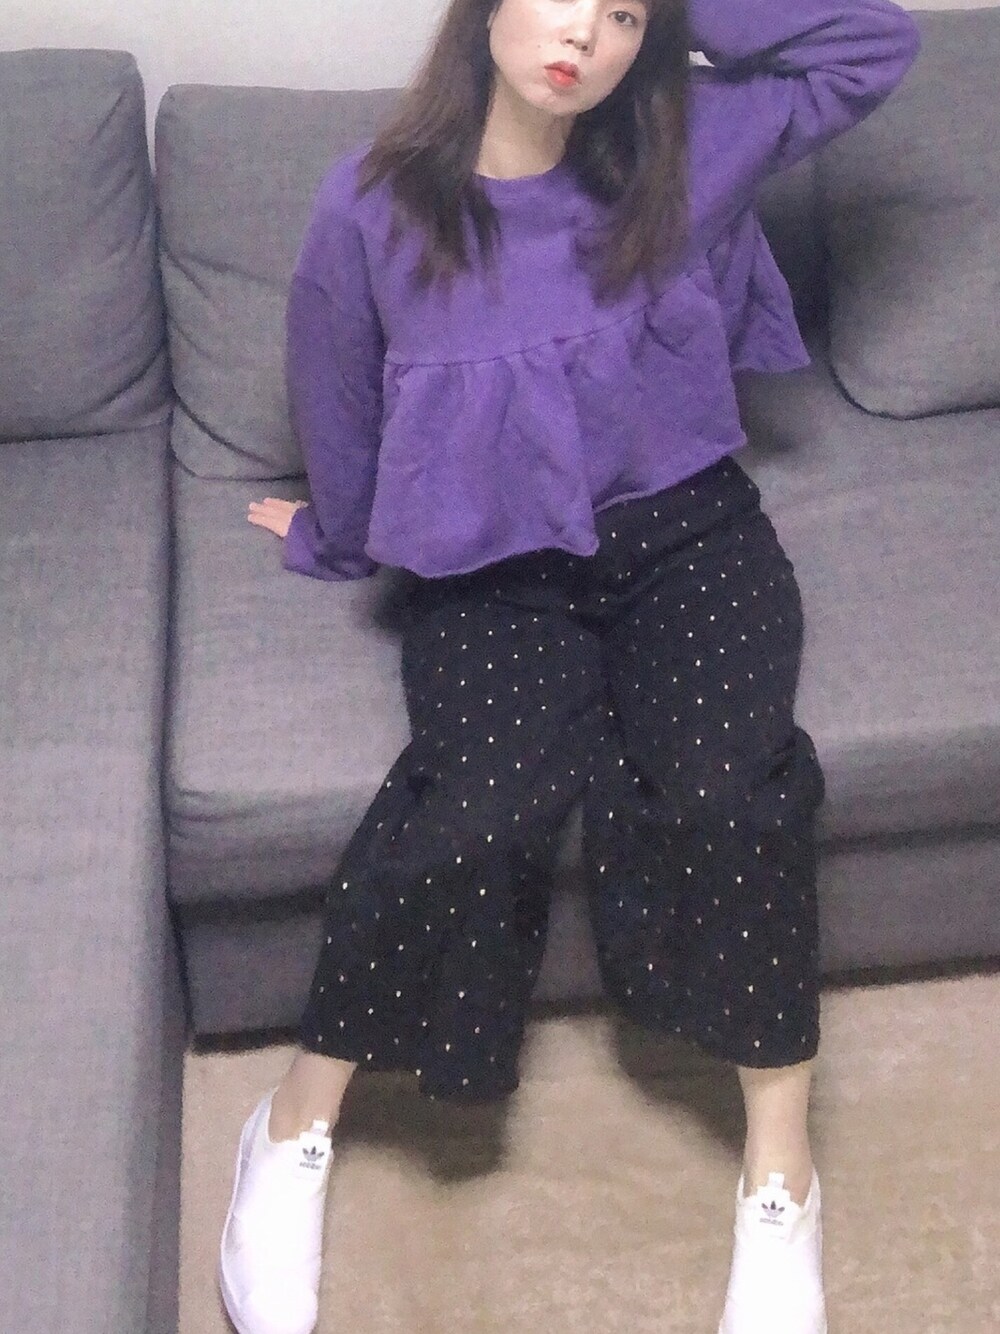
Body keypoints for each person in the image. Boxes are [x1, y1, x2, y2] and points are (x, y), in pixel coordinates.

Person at [219, 1, 921, 1331]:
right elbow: (339, 389)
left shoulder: (684, 142)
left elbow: (871, 46)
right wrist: (332, 534)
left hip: (687, 538)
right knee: (479, 806)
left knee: (733, 790)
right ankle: (293, 1120)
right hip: (492, 568)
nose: (582, 33)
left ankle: (783, 1177)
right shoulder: (374, 202)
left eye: (623, 11)